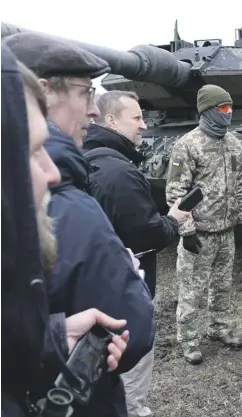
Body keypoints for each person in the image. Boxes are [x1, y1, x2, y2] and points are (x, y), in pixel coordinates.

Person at [3, 32, 156, 417]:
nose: (92, 109)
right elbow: (131, 329)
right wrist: (128, 274)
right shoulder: (70, 204)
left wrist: (53, 338)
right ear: (43, 92)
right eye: (86, 92)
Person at [83, 90, 191, 417]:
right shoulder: (121, 173)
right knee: (131, 367)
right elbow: (148, 233)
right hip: (127, 289)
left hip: (94, 286)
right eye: (137, 118)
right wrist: (173, 220)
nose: (144, 125)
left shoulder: (86, 158)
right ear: (112, 121)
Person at [166, 84, 242, 365]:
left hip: (226, 231)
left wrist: (241, 217)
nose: (229, 112)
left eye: (230, 107)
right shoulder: (187, 145)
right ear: (208, 110)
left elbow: (238, 184)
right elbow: (176, 193)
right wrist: (186, 230)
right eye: (223, 108)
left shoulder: (233, 143)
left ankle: (219, 328)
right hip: (199, 234)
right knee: (192, 290)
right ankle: (189, 341)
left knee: (222, 286)